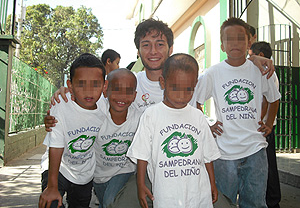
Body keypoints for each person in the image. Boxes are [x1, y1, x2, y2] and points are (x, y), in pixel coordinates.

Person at [44, 19, 276, 207]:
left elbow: (228, 72)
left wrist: (252, 58)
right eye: (146, 44)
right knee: (116, 203)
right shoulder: (126, 85)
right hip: (136, 170)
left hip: (185, 169)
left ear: (170, 48)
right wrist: (66, 95)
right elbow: (93, 100)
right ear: (138, 50)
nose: (153, 51)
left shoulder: (184, 77)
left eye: (160, 44)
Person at [193, 17, 281, 207]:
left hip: (255, 150)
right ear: (222, 45)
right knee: (224, 202)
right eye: (229, 39)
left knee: (256, 202)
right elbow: (195, 103)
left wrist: (268, 123)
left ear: (249, 42)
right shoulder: (212, 73)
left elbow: (274, 99)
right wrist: (207, 126)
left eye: (241, 38)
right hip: (224, 152)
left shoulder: (260, 70)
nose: (235, 43)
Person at [127, 53, 221, 208]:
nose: (181, 96)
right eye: (175, 88)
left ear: (195, 84)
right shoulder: (151, 115)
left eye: (188, 89)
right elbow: (141, 154)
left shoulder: (198, 116)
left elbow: (207, 156)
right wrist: (141, 184)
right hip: (166, 195)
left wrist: (212, 183)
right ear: (163, 82)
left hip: (198, 193)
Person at [39, 53, 106, 208]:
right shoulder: (61, 103)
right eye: (81, 84)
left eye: (95, 84)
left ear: (104, 85)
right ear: (70, 85)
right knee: (51, 203)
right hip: (58, 168)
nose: (89, 91)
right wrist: (52, 187)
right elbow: (56, 145)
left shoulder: (104, 105)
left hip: (84, 173)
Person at [93, 68, 142, 208]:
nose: (122, 96)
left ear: (135, 95)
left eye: (129, 91)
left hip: (124, 171)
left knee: (111, 202)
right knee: (105, 203)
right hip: (98, 176)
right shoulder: (95, 112)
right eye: (117, 89)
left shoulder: (139, 118)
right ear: (105, 89)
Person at [249, 41, 281, 208]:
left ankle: (272, 202)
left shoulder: (265, 72)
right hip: (267, 126)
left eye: (251, 54)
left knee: (266, 168)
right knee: (268, 166)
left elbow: (267, 101)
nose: (249, 58)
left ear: (259, 56)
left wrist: (259, 121)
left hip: (263, 128)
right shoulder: (269, 71)